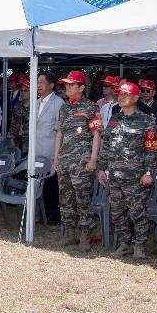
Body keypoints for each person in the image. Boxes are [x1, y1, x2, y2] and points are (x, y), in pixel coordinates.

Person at [97, 81, 157, 258]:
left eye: (126, 94)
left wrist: (148, 173)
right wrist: (102, 169)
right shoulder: (115, 119)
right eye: (120, 94)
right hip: (115, 175)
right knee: (117, 212)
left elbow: (151, 149)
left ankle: (140, 246)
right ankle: (125, 244)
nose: (121, 97)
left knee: (137, 213)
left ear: (136, 97)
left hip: (136, 177)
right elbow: (106, 145)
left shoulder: (147, 121)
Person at [53, 70, 101, 251]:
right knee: (65, 199)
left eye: (72, 84)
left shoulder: (91, 107)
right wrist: (56, 157)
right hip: (65, 160)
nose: (67, 87)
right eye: (66, 84)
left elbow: (96, 135)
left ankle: (85, 236)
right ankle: (68, 234)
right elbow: (59, 134)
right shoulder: (64, 108)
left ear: (81, 87)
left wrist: (93, 159)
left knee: (82, 199)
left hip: (82, 162)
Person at [32, 72, 65, 224]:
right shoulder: (36, 101)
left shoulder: (58, 103)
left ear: (51, 85)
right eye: (37, 82)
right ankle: (39, 214)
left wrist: (57, 153)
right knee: (37, 183)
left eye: (41, 82)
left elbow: (61, 130)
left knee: (51, 185)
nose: (38, 85)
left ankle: (53, 217)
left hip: (51, 150)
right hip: (36, 149)